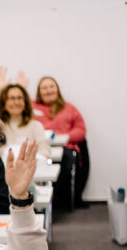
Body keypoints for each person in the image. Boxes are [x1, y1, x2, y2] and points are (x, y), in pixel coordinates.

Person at [33, 76, 89, 206]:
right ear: (39, 91)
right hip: (40, 148)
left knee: (67, 159)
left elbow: (81, 129)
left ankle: (56, 195)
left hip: (66, 148)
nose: (49, 90)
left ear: (57, 89)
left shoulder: (69, 108)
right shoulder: (31, 107)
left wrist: (65, 136)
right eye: (44, 88)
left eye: (51, 87)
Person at [0, 68, 50, 158]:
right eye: (12, 98)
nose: (16, 102)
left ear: (25, 102)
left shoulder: (35, 126)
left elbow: (44, 151)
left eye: (20, 98)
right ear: (4, 102)